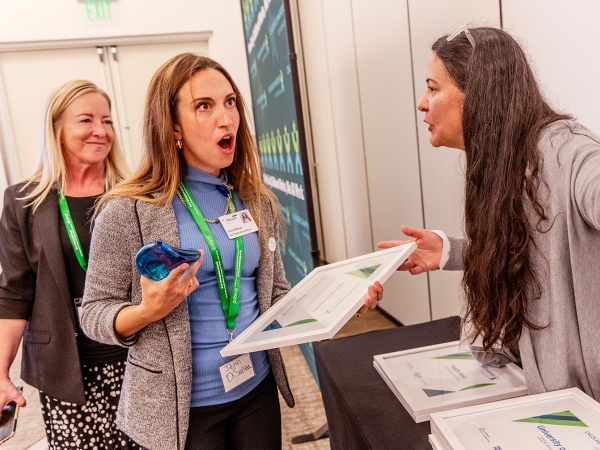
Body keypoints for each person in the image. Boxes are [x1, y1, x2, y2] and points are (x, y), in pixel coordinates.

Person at [80, 53, 384, 450]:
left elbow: (275, 296)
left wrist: (342, 300)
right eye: (203, 106)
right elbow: (93, 313)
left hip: (255, 390)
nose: (227, 118)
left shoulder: (257, 202)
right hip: (181, 410)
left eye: (230, 102)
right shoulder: (128, 210)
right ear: (172, 127)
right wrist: (146, 311)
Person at [379, 26, 600, 401]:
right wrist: (454, 251)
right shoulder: (507, 161)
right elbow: (534, 253)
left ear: (479, 92)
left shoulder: (566, 150)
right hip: (548, 394)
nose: (422, 102)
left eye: (433, 88)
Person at [0, 80, 139, 449]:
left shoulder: (136, 192)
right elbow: (14, 292)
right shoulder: (23, 202)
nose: (101, 130)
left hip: (137, 357)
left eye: (107, 121)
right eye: (86, 120)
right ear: (57, 128)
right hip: (66, 365)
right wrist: (0, 372)